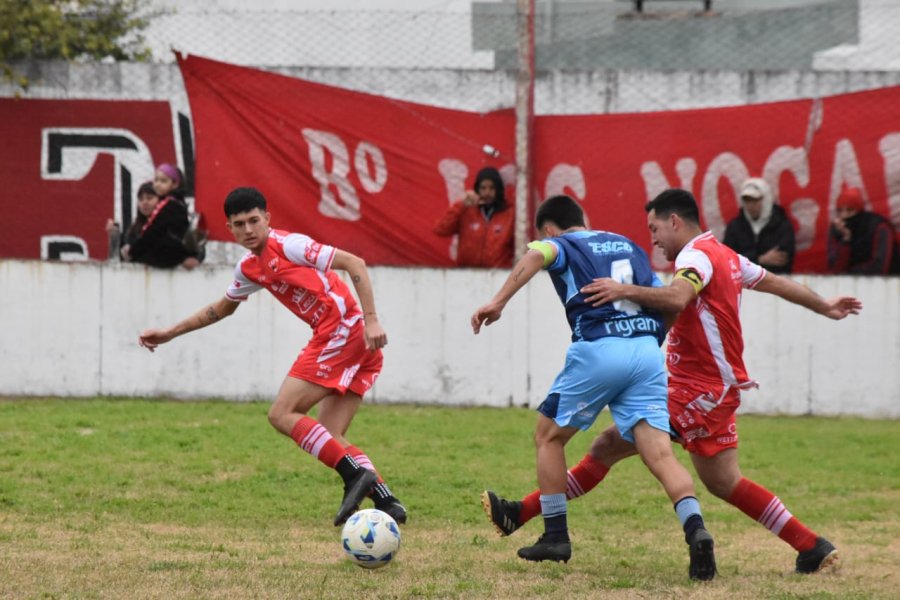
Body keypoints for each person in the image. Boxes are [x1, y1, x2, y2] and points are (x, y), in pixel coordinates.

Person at [482, 189, 861, 575]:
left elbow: (679, 297)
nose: (654, 239)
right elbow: (777, 283)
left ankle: (524, 513)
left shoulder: (695, 257)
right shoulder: (727, 255)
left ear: (675, 221)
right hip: (717, 387)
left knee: (606, 447)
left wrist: (623, 290)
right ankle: (811, 545)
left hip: (698, 387)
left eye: (656, 228)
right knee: (723, 481)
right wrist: (824, 305)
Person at [471, 194, 717, 580]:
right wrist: (646, 343)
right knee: (660, 454)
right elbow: (669, 303)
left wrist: (498, 301)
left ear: (550, 228)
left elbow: (536, 255)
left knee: (548, 437)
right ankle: (696, 530)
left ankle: (555, 536)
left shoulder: (562, 243)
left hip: (600, 348)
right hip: (646, 352)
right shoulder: (629, 245)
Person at [138, 186, 406, 526]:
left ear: (267, 218)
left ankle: (355, 476)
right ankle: (387, 501)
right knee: (328, 433)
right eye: (239, 224)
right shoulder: (250, 267)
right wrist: (170, 333)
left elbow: (354, 263)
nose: (248, 230)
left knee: (281, 413)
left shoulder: (290, 246)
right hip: (349, 339)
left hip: (343, 331)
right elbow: (221, 309)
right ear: (230, 228)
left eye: (253, 221)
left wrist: (371, 320)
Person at [433, 166, 515, 268]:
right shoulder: (466, 211)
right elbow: (440, 229)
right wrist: (461, 204)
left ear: (498, 189)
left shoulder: (509, 213)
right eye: (483, 188)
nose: (487, 192)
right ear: (477, 189)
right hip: (467, 274)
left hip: (498, 275)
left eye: (492, 188)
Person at [122, 164, 200, 269]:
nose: (158, 184)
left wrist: (132, 252)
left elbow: (153, 230)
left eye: (163, 181)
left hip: (169, 254)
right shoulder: (176, 203)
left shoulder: (169, 204)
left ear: (175, 184)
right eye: (156, 180)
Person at [722, 178, 795, 273]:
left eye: (755, 200)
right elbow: (727, 259)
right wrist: (760, 259)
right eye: (747, 200)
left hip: (775, 281)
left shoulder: (782, 225)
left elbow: (782, 259)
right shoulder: (735, 227)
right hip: (743, 282)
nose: (750, 205)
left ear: (766, 199)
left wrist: (746, 259)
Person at [828, 184, 898, 275]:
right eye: (840, 211)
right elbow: (835, 269)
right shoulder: (836, 229)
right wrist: (846, 240)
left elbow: (880, 266)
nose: (844, 215)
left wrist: (849, 275)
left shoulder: (879, 227)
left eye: (849, 210)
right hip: (847, 284)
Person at [105, 181, 159, 260]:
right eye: (141, 199)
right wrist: (114, 236)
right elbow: (120, 258)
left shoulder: (167, 226)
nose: (144, 202)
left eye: (149, 198)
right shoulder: (134, 230)